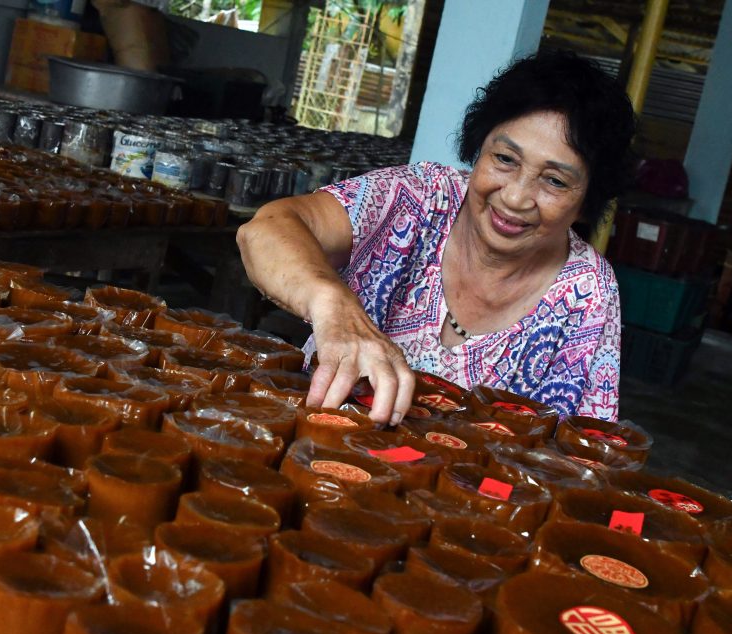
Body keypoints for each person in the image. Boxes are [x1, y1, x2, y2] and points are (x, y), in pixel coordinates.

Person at [237, 50, 636, 425]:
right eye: (504, 159)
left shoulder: (587, 293)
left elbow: (575, 458)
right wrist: (333, 305)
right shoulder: (420, 198)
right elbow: (266, 230)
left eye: (554, 180)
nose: (515, 197)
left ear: (587, 202)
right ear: (478, 149)